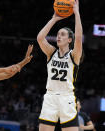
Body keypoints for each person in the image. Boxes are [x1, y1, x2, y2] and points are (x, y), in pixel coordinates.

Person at [37, 0, 83, 131]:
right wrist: (54, 19)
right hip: (50, 97)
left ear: (69, 40)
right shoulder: (51, 53)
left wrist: (76, 14)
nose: (58, 36)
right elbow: (40, 38)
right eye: (58, 34)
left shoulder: (74, 55)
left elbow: (78, 38)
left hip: (67, 97)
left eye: (62, 35)